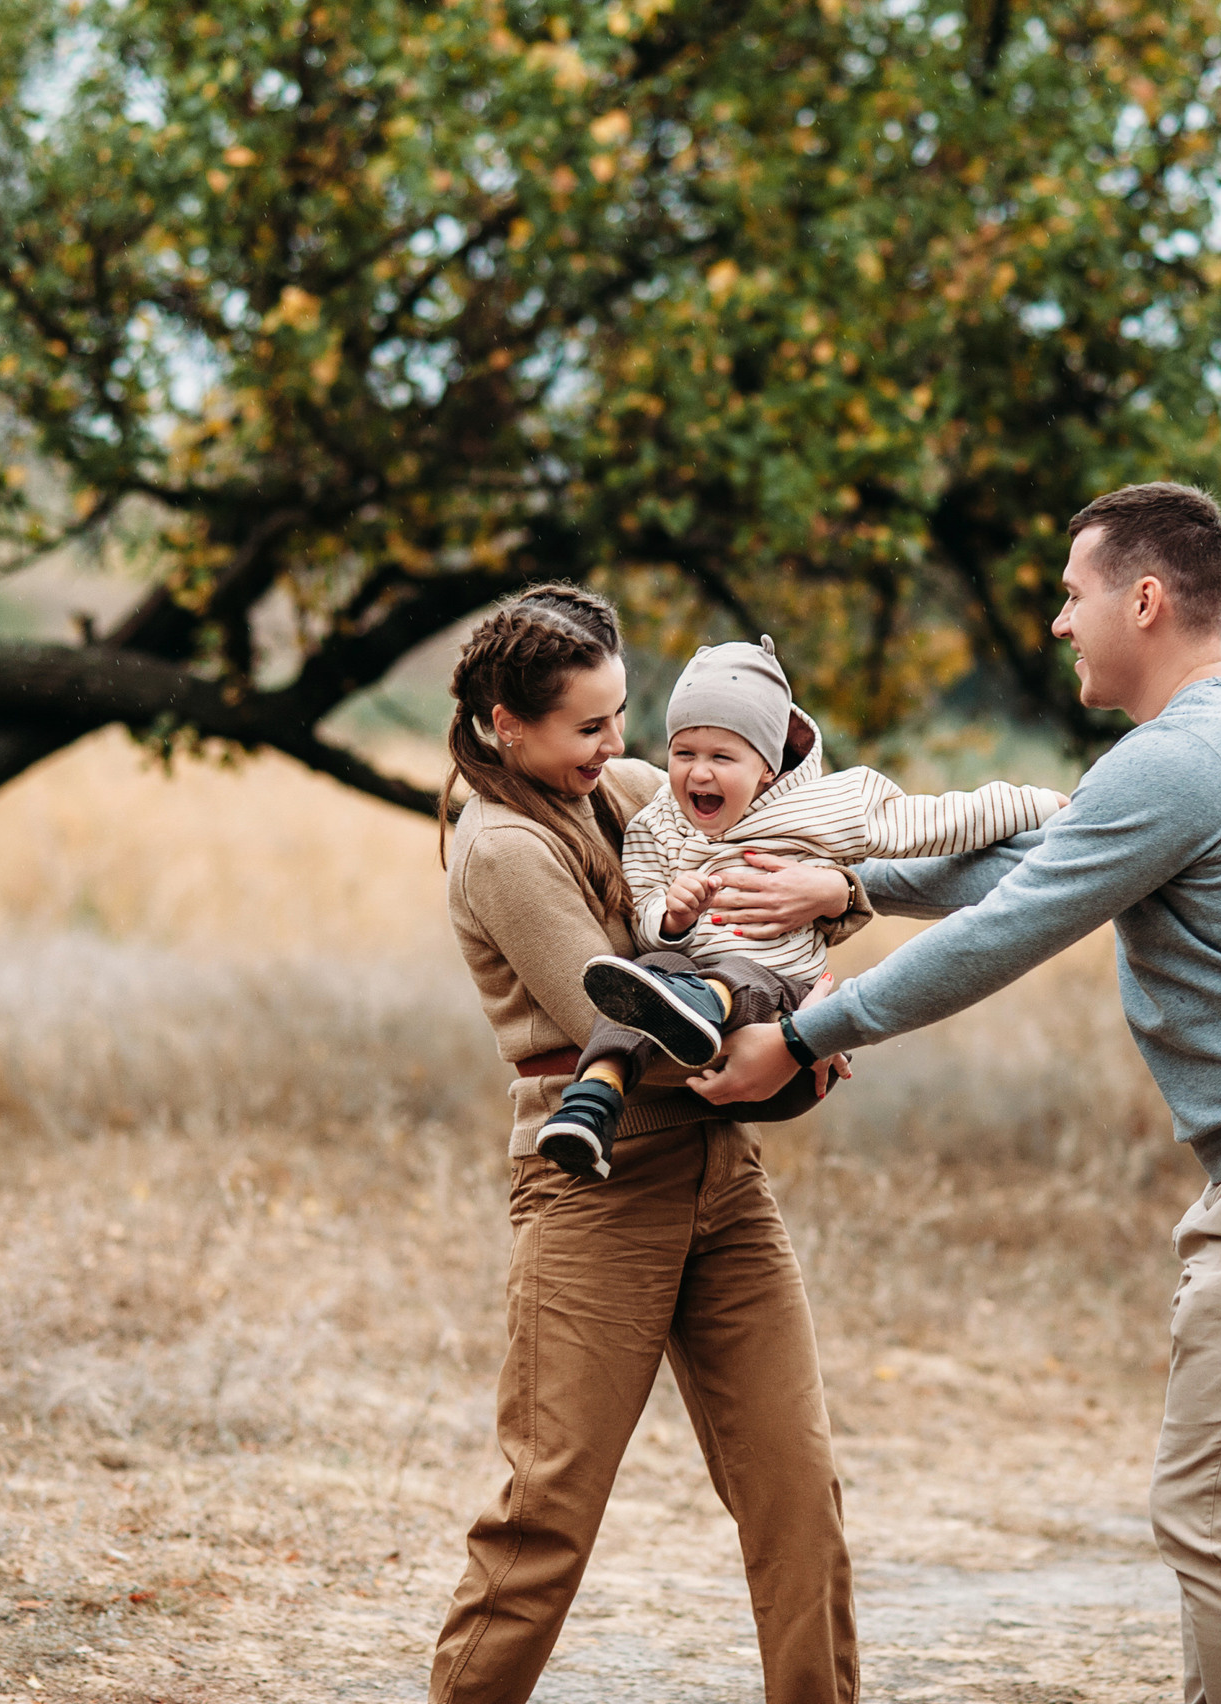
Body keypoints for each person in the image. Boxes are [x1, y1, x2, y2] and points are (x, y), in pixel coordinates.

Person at [691, 483, 1221, 1704]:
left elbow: (1010, 929)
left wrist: (808, 1032)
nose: (1055, 622)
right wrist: (851, 889)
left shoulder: (1187, 757)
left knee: (1212, 1512)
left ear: (1142, 600)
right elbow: (1050, 860)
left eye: (1071, 593)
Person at [433, 585, 864, 1704]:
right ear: (501, 723)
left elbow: (775, 838)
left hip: (722, 1174)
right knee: (548, 1514)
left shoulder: (627, 792)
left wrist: (834, 902)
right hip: (595, 1184)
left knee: (796, 1491)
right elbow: (607, 1026)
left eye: (621, 717)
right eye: (586, 727)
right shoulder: (501, 849)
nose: (616, 749)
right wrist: (794, 1040)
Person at [537, 632, 1067, 1180]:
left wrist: (1041, 806)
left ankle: (701, 1004)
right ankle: (591, 1106)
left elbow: (937, 819)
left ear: (767, 765)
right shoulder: (658, 823)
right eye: (683, 753)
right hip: (699, 1017)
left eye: (723, 756)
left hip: (786, 1012)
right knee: (646, 974)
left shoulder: (826, 807)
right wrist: (669, 918)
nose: (698, 772)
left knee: (743, 972)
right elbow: (644, 910)